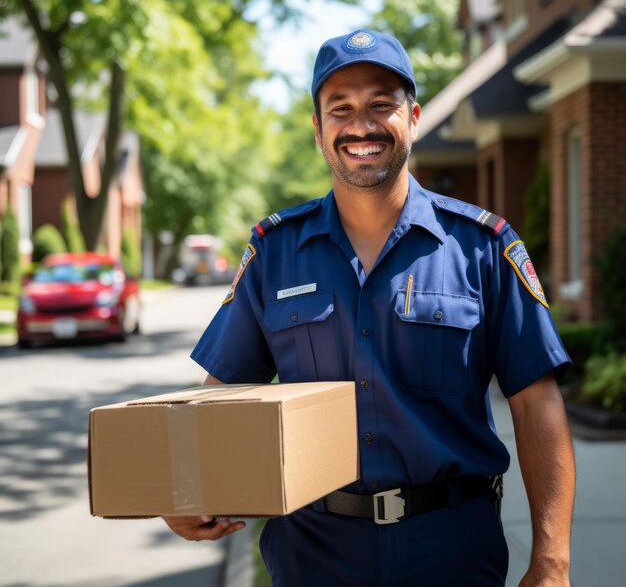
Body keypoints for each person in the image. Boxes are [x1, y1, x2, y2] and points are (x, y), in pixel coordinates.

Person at [163, 29, 575, 586]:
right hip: (314, 552)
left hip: (451, 549)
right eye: (341, 109)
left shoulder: (483, 247)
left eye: (382, 105)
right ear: (318, 129)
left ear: (414, 117)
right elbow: (223, 390)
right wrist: (187, 486)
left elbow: (537, 403)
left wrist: (551, 560)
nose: (361, 125)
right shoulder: (274, 252)